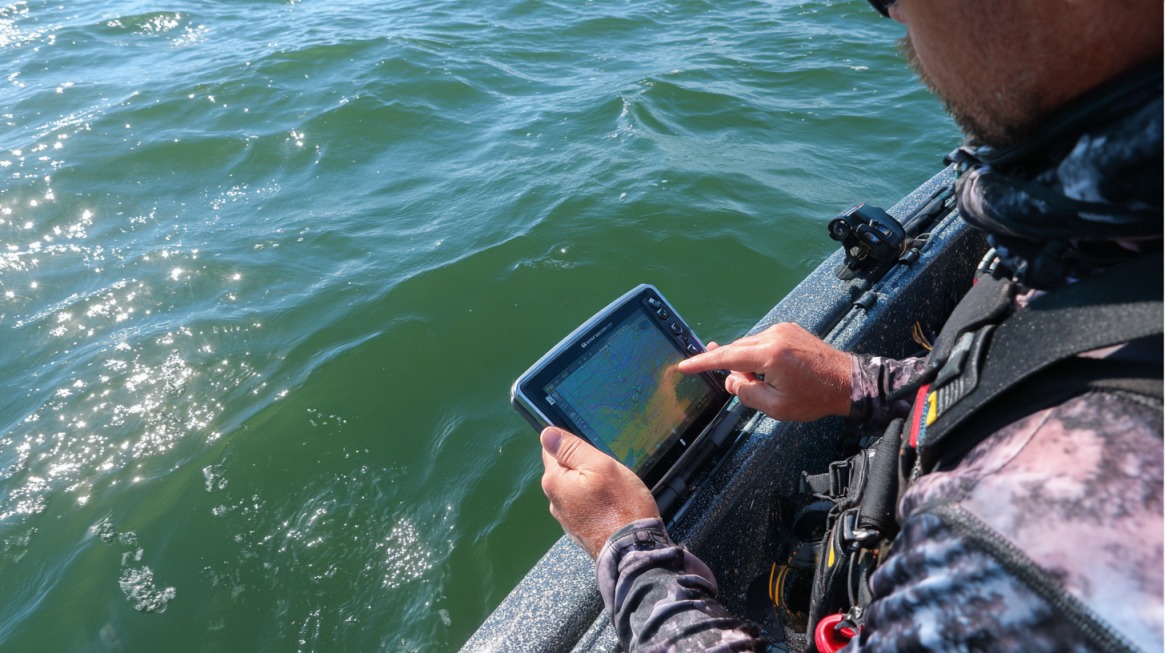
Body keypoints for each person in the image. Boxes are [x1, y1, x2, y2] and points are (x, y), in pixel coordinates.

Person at [539, 0, 1163, 651]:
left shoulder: (1025, 548)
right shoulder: (1109, 244)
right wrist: (860, 382)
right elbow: (1079, 361)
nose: (890, 12)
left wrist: (629, 550)